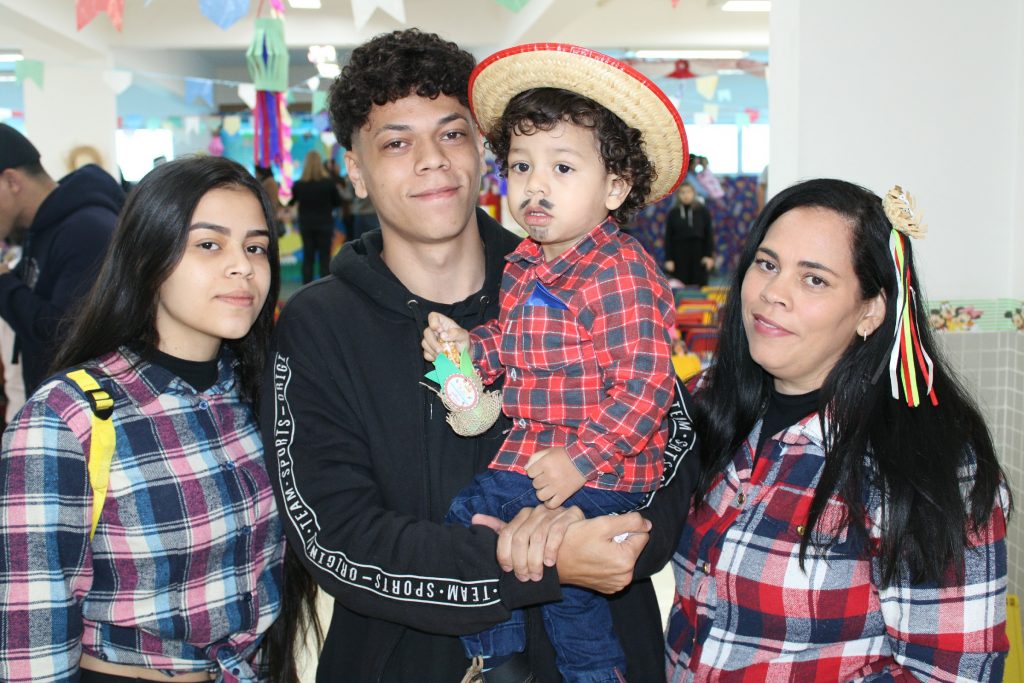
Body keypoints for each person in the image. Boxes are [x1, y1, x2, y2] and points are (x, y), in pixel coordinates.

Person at [261, 29, 699, 683]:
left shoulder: (585, 270)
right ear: (354, 169)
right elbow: (335, 536)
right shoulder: (319, 325)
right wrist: (538, 563)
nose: (432, 160)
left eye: (452, 133)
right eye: (397, 142)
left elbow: (671, 442)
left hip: (597, 654)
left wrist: (619, 536)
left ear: (480, 148)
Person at [659, 179, 1010, 679]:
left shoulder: (929, 463)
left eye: (814, 279)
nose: (772, 293)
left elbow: (954, 672)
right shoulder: (706, 403)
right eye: (767, 264)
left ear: (871, 311)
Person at [420, 43, 685, 683]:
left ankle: (514, 662)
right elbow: (512, 345)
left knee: (486, 528)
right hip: (541, 457)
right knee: (552, 578)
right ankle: (539, 663)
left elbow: (647, 387)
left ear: (615, 186)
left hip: (603, 466)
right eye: (521, 166)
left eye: (563, 167)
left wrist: (581, 461)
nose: (535, 186)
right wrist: (465, 350)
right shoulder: (525, 266)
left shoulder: (618, 271)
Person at [0, 156, 307, 682]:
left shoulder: (259, 397)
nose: (243, 266)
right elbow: (32, 645)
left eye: (256, 247)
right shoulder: (66, 419)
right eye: (209, 244)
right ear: (148, 257)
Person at [0, 123, 125, 395]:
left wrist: (3, 281)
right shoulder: (40, 227)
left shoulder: (88, 230)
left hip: (84, 409)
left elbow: (64, 334)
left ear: (11, 181)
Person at [290, 150, 340, 283]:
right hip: (325, 224)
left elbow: (292, 202)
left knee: (308, 257)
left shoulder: (298, 184)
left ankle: (306, 288)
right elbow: (337, 202)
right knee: (325, 258)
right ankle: (325, 288)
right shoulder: (328, 183)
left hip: (306, 225)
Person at [663, 181, 714, 286]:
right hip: (679, 254)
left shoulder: (703, 211)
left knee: (700, 284)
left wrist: (709, 256)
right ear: (678, 195)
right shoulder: (673, 213)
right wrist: (669, 259)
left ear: (694, 193)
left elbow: (709, 234)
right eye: (682, 192)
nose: (686, 195)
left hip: (699, 253)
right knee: (680, 285)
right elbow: (668, 238)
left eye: (688, 192)